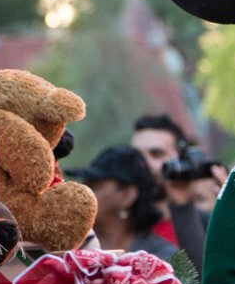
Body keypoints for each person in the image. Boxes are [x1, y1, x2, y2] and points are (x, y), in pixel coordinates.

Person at [70, 146, 177, 259]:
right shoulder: (70, 246)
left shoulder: (160, 256)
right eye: (84, 184)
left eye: (95, 186)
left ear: (127, 196)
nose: (83, 192)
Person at [130, 113, 209, 264]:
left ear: (180, 159)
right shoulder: (120, 227)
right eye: (136, 155)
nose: (144, 163)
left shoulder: (209, 225)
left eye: (156, 154)